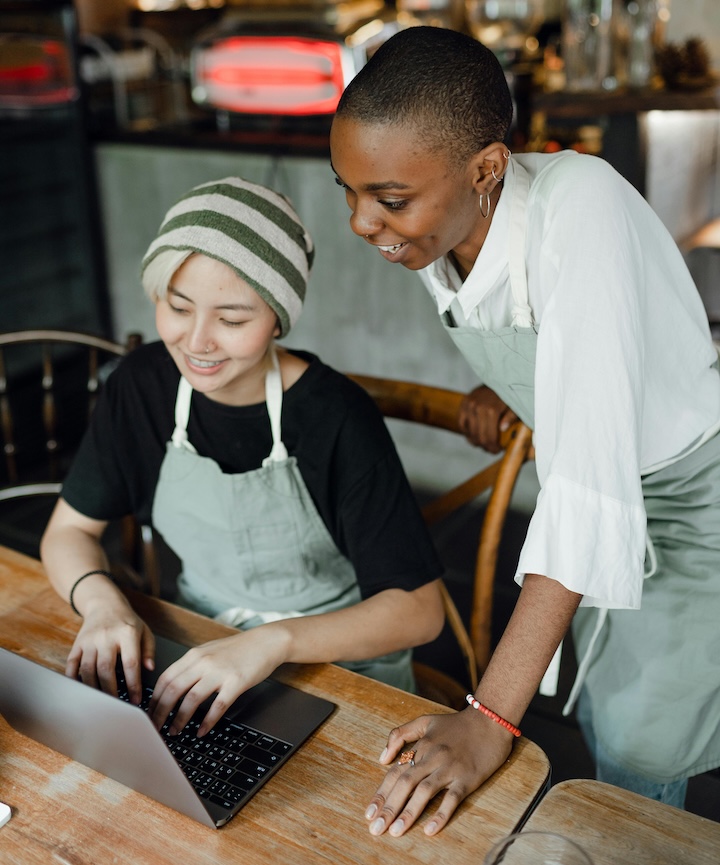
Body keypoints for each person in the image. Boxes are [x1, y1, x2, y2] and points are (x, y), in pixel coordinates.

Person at [329, 25, 720, 837]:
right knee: (620, 706)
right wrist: (510, 382)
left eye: (390, 198)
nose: (365, 223)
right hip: (608, 483)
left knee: (643, 741)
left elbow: (582, 489)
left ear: (487, 169)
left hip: (695, 497)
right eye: (349, 191)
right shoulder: (439, 226)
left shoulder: (583, 205)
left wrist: (490, 721)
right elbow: (553, 332)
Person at [40, 176, 445, 738]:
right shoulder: (143, 385)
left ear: (278, 319)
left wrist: (274, 641)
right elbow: (68, 533)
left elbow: (419, 611)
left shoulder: (334, 415)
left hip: (339, 666)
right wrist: (104, 606)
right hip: (201, 644)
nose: (197, 341)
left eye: (231, 320)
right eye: (177, 307)